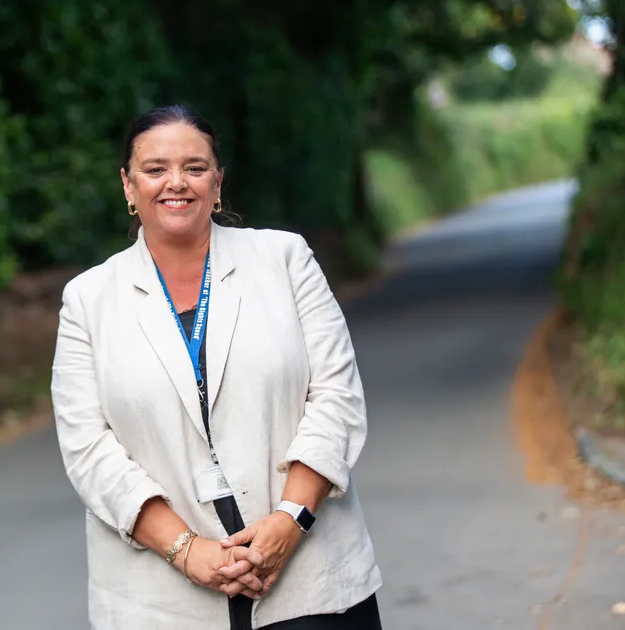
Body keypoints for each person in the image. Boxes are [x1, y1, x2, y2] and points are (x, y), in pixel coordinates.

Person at [50, 104, 384, 630]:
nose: (175, 183)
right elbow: (88, 448)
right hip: (158, 600)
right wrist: (186, 549)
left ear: (218, 182)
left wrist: (290, 521)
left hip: (308, 580)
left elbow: (336, 397)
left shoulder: (285, 260)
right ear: (128, 186)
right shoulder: (88, 300)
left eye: (195, 167)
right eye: (155, 169)